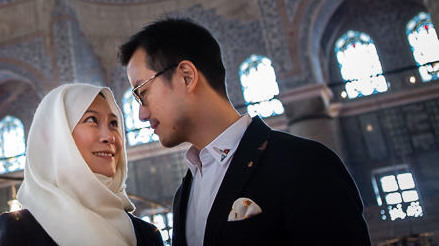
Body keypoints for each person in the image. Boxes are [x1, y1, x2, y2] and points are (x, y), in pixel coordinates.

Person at [118, 18, 371, 246]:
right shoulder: (184, 193)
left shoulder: (304, 163)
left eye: (142, 92)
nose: (141, 114)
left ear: (186, 76)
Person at [0, 83, 164, 246]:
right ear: (59, 135)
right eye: (92, 120)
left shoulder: (147, 234)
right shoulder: (21, 230)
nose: (110, 136)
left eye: (113, 123)